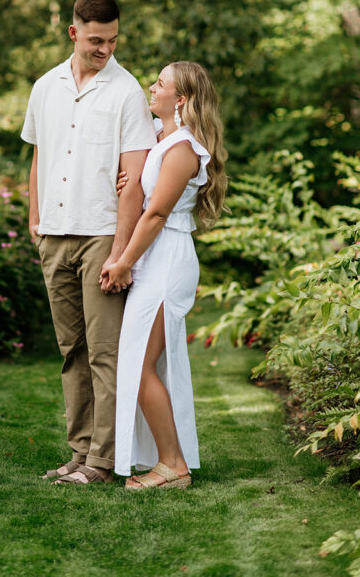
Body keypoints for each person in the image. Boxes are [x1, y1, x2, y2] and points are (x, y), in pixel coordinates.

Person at [21, 0, 157, 485]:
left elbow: (135, 178)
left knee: (105, 352)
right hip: (54, 236)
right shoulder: (45, 87)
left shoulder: (127, 92)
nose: (105, 48)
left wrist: (120, 250)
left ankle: (103, 459)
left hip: (102, 236)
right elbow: (39, 156)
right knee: (71, 350)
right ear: (73, 32)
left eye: (113, 39)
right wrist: (35, 220)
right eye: (96, 39)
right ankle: (79, 452)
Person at [100, 61, 227, 489]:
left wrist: (121, 263)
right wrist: (127, 183)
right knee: (138, 363)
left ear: (182, 99)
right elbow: (141, 192)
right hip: (152, 256)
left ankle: (173, 466)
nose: (150, 88)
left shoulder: (183, 150)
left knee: (140, 366)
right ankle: (166, 459)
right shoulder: (160, 139)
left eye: (160, 83)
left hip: (166, 257)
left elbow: (155, 214)